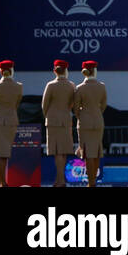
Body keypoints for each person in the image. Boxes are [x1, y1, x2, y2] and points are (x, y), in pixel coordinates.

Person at [41, 59, 77, 188]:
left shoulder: (50, 85)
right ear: (66, 70)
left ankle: (60, 180)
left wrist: (49, 116)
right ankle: (60, 179)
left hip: (52, 121)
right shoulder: (71, 85)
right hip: (65, 120)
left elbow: (44, 105)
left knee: (57, 151)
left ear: (54, 71)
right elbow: (72, 103)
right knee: (64, 151)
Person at [73, 60, 107, 188]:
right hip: (98, 121)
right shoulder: (102, 86)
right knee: (97, 151)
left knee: (87, 153)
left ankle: (91, 182)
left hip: (84, 122)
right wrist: (96, 113)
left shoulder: (79, 88)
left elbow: (75, 108)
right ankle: (93, 182)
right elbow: (103, 105)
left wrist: (82, 115)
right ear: (95, 71)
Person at [0, 60, 22, 188]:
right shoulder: (18, 86)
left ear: (0, 71)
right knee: (5, 152)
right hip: (11, 120)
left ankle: (1, 181)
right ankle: (0, 180)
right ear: (12, 70)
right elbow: (16, 104)